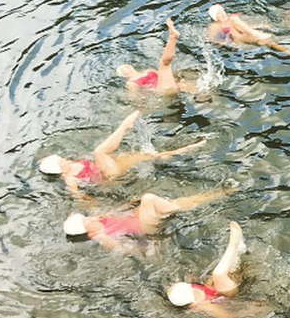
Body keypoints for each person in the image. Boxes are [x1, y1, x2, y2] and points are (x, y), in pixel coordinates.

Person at [38, 111, 205, 198]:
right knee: (99, 152)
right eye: (61, 162)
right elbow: (80, 198)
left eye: (61, 159)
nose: (64, 160)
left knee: (150, 155)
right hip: (109, 176)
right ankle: (125, 126)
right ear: (60, 171)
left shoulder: (70, 165)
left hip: (110, 166)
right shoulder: (70, 179)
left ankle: (186, 150)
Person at [62, 188, 235, 251]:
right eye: (85, 221)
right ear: (87, 231)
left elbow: (115, 213)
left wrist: (130, 203)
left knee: (170, 202)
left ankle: (215, 195)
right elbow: (123, 250)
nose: (88, 218)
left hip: (136, 217)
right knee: (149, 198)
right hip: (144, 227)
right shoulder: (100, 236)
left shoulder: (95, 221)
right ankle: (177, 207)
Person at [166, 221, 248, 318]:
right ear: (191, 301)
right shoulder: (202, 305)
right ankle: (235, 242)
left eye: (190, 287)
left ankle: (237, 251)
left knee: (220, 272)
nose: (193, 288)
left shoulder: (182, 291)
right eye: (192, 291)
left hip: (214, 288)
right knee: (218, 274)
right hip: (227, 293)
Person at [116, 19, 195, 96]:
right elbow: (135, 96)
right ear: (123, 75)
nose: (125, 67)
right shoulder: (130, 83)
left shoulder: (148, 71)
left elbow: (163, 75)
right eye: (122, 69)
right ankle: (172, 37)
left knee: (190, 86)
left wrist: (178, 77)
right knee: (164, 64)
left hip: (171, 85)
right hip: (161, 90)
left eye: (125, 66)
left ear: (131, 66)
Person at [207, 4, 290, 58]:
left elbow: (245, 27)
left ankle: (260, 35)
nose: (222, 13)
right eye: (219, 13)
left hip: (246, 34)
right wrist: (227, 44)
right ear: (215, 17)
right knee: (266, 41)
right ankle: (288, 52)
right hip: (239, 39)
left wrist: (259, 26)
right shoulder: (215, 27)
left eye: (222, 11)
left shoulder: (231, 18)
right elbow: (214, 40)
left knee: (235, 20)